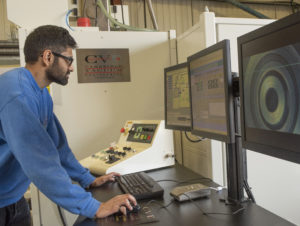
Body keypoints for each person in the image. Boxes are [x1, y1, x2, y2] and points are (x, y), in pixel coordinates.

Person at [0, 25, 137, 226]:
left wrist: (86, 178)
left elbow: (57, 146)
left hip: (13, 199)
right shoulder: (17, 94)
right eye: (69, 59)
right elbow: (40, 161)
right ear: (48, 57)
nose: (72, 67)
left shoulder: (39, 92)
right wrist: (94, 207)